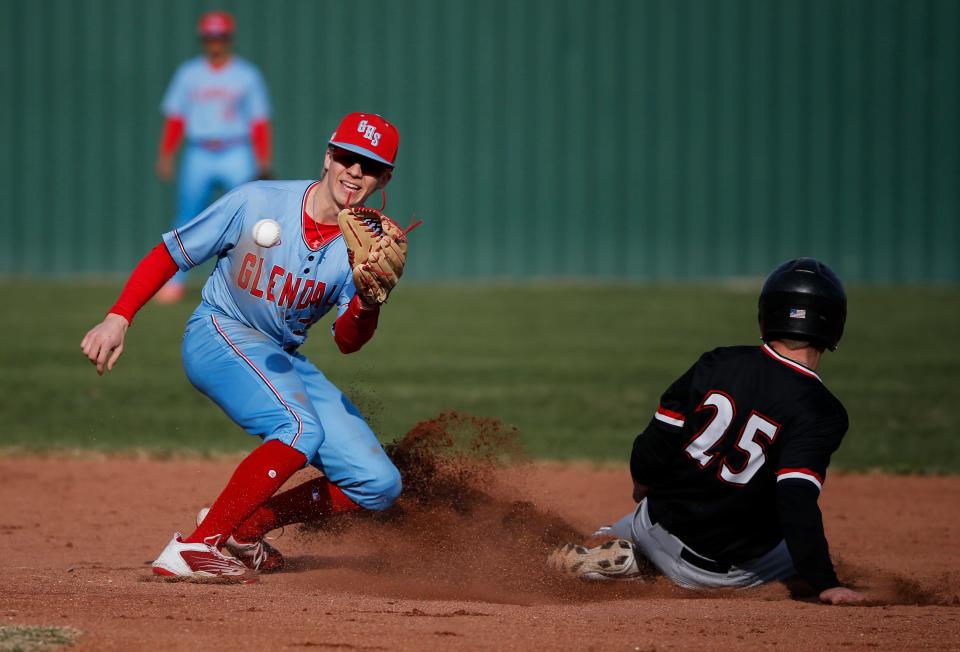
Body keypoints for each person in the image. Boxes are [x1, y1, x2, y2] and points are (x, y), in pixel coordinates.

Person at [81, 112, 404, 582]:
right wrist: (119, 316)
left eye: (369, 166)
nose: (355, 172)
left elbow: (347, 343)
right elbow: (172, 252)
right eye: (348, 158)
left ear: (384, 179)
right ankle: (194, 547)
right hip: (219, 331)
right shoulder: (257, 200)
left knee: (378, 484)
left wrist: (369, 303)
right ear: (329, 156)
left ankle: (244, 528)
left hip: (281, 356)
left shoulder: (365, 249)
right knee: (299, 429)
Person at [548, 258, 866, 605]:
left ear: (766, 315)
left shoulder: (719, 362)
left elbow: (656, 442)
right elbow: (795, 500)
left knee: (615, 530)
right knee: (802, 557)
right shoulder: (822, 410)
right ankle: (659, 569)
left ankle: (611, 545)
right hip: (722, 572)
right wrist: (825, 582)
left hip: (655, 525)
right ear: (835, 326)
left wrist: (642, 480)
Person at [155, 10, 273, 304]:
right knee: (187, 217)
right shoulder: (189, 74)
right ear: (203, 40)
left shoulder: (246, 74)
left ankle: (253, 281)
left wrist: (263, 158)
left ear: (228, 39)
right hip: (199, 150)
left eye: (220, 37)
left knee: (250, 218)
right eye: (210, 37)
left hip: (236, 148)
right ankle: (174, 281)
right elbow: (177, 118)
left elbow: (258, 121)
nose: (215, 43)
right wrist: (166, 154)